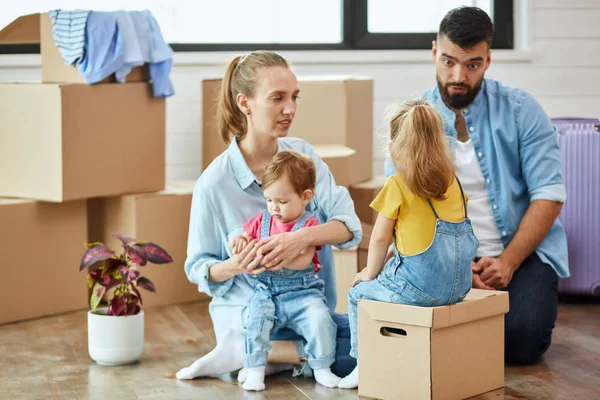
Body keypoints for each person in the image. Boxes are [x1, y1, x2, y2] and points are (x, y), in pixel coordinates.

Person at [384, 6, 568, 365]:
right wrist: (454, 268)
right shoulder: (414, 119)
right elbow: (400, 208)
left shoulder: (521, 109)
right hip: (439, 257)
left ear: (488, 61)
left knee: (523, 341)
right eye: (449, 61)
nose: (458, 75)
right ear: (435, 52)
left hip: (520, 255)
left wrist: (508, 262)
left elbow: (549, 193)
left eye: (472, 64)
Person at [176, 50, 361, 382]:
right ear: (245, 103)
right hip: (253, 315)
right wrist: (238, 263)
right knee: (354, 358)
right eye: (277, 98)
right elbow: (199, 269)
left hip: (308, 310)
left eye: (293, 97)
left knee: (375, 342)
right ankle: (268, 352)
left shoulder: (304, 157)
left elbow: (349, 226)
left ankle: (261, 358)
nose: (289, 109)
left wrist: (301, 238)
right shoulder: (214, 183)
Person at [338, 99, 478, 389]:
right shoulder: (454, 181)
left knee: (358, 294)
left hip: (419, 290)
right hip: (460, 286)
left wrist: (368, 273)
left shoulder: (397, 184)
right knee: (397, 260)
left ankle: (362, 366)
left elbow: (379, 238)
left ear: (393, 149)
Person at [230, 150, 341, 391]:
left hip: (302, 293)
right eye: (269, 200)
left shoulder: (308, 224)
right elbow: (244, 235)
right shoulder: (263, 220)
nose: (274, 208)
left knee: (320, 320)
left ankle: (322, 367)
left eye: (281, 202)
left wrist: (275, 259)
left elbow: (305, 260)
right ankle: (255, 369)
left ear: (305, 196)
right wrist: (239, 240)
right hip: (267, 292)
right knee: (255, 321)